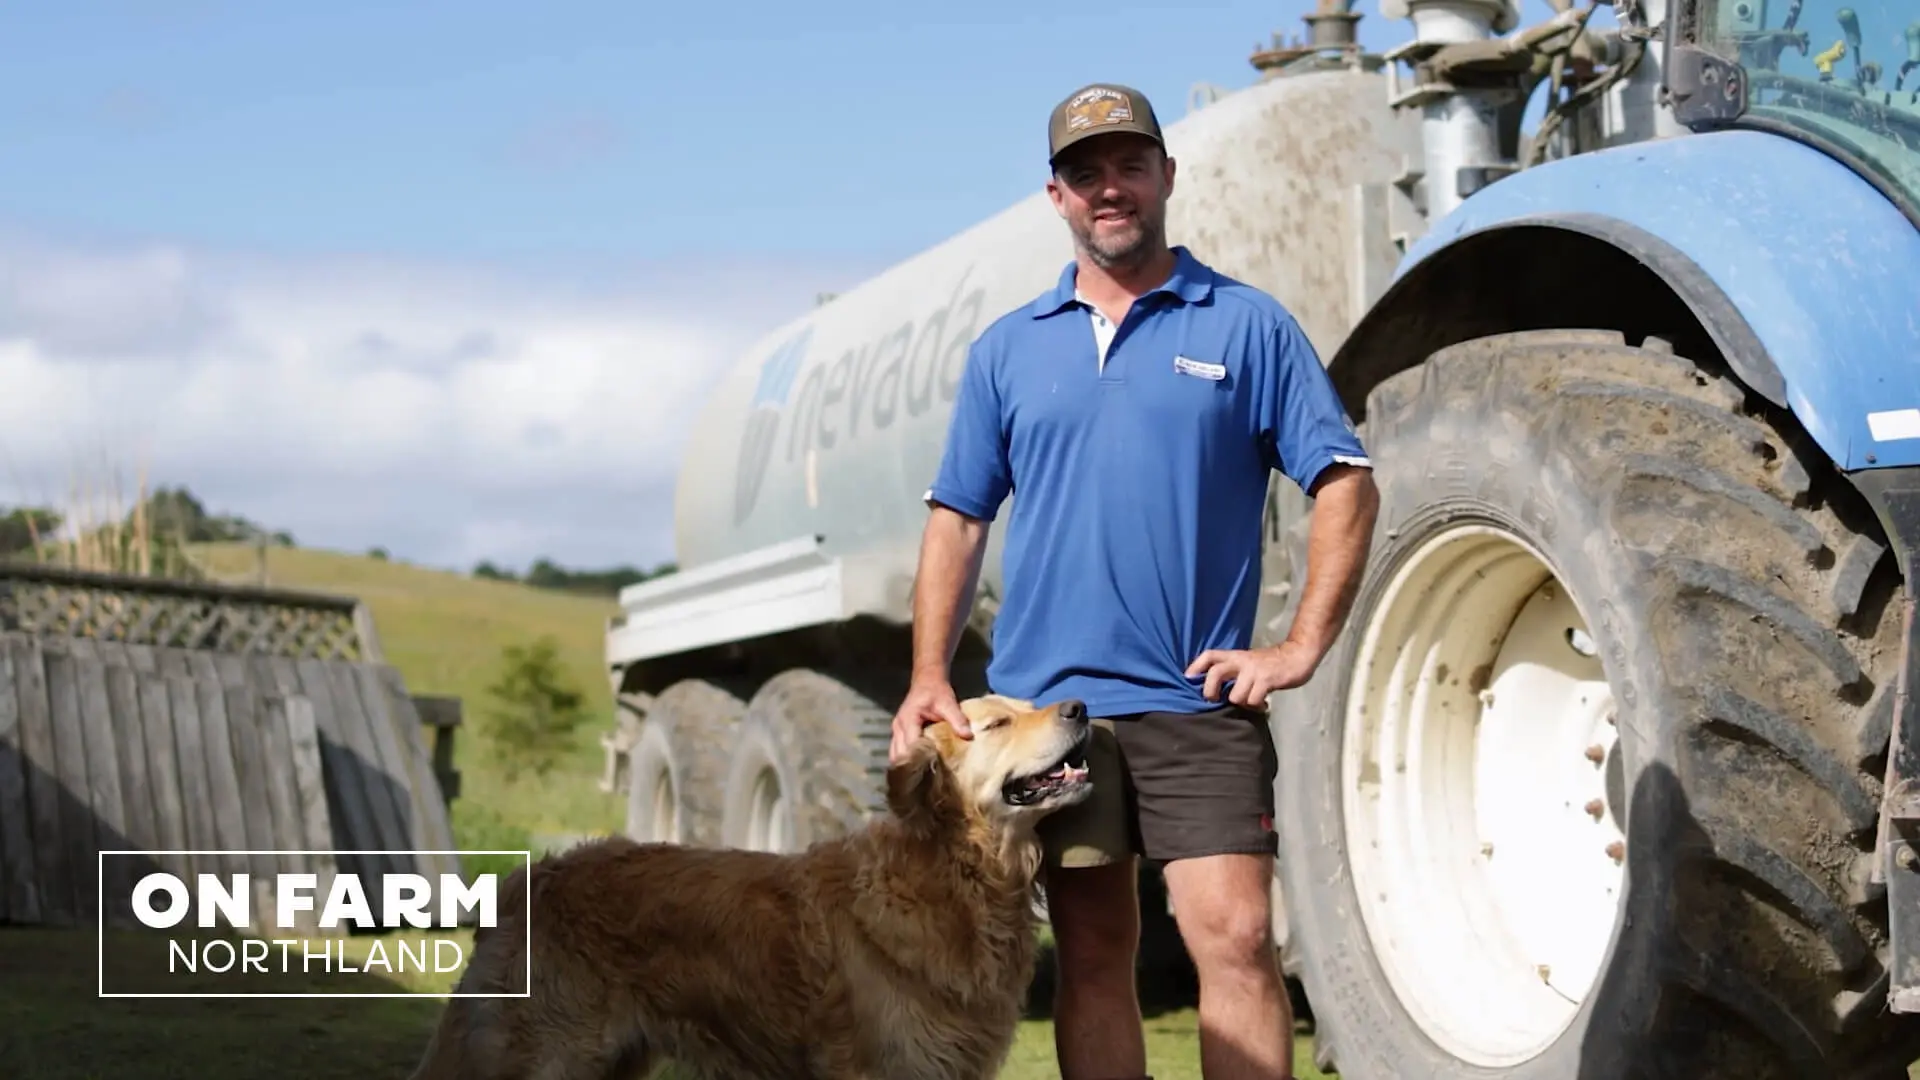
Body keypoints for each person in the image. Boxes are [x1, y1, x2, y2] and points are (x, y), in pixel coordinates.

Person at [888, 81, 1380, 1080]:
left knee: (1236, 939)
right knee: (1096, 957)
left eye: (1127, 166)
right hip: (1049, 713)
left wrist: (1297, 646)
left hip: (1197, 701)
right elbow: (958, 519)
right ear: (1057, 195)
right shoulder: (1008, 350)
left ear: (1165, 176)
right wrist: (927, 672)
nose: (1109, 189)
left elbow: (1345, 483)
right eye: (1085, 173)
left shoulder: (1247, 326)